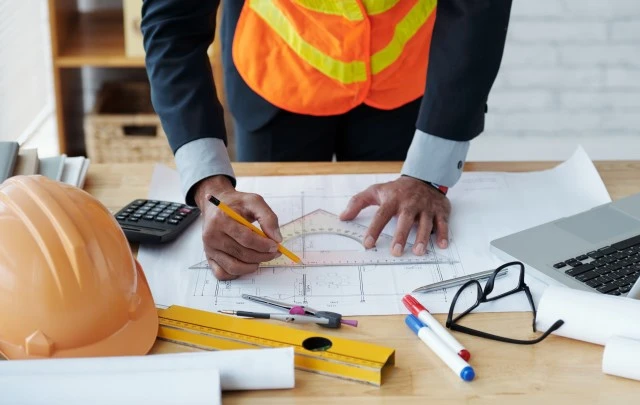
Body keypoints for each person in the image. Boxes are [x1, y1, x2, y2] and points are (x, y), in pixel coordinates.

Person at [141, 0, 512, 281]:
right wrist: (211, 189)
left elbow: (477, 9)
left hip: (402, 78)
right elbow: (174, 20)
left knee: (401, 253)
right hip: (277, 73)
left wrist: (429, 173)